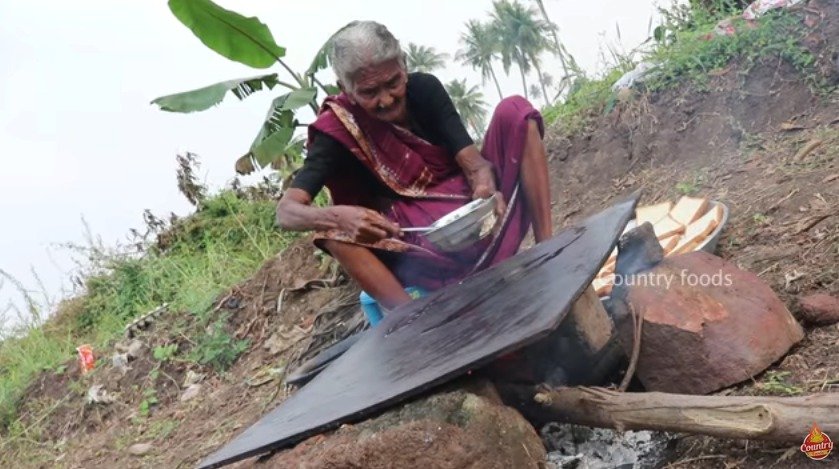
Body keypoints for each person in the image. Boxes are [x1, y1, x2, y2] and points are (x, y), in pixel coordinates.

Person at [276, 20, 553, 313]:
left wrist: (484, 190)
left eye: (393, 83)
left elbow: (475, 166)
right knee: (331, 234)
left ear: (404, 66)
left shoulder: (425, 89)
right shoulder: (338, 130)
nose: (386, 99)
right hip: (419, 244)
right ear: (345, 87)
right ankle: (415, 320)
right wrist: (340, 217)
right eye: (369, 92)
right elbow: (286, 212)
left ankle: (550, 249)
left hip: (477, 216)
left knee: (514, 111)